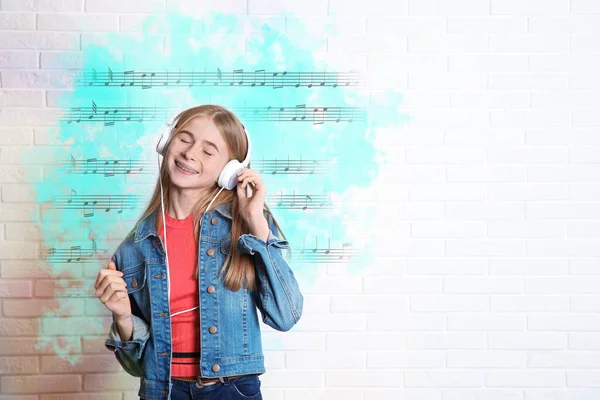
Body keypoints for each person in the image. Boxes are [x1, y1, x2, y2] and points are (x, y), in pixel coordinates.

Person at [93, 104, 304, 400]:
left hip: (232, 390)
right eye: (184, 139)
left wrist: (256, 221)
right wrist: (123, 317)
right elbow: (135, 366)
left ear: (230, 171)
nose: (190, 153)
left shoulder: (244, 228)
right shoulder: (136, 246)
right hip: (162, 391)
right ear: (166, 144)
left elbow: (286, 316)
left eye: (208, 150)